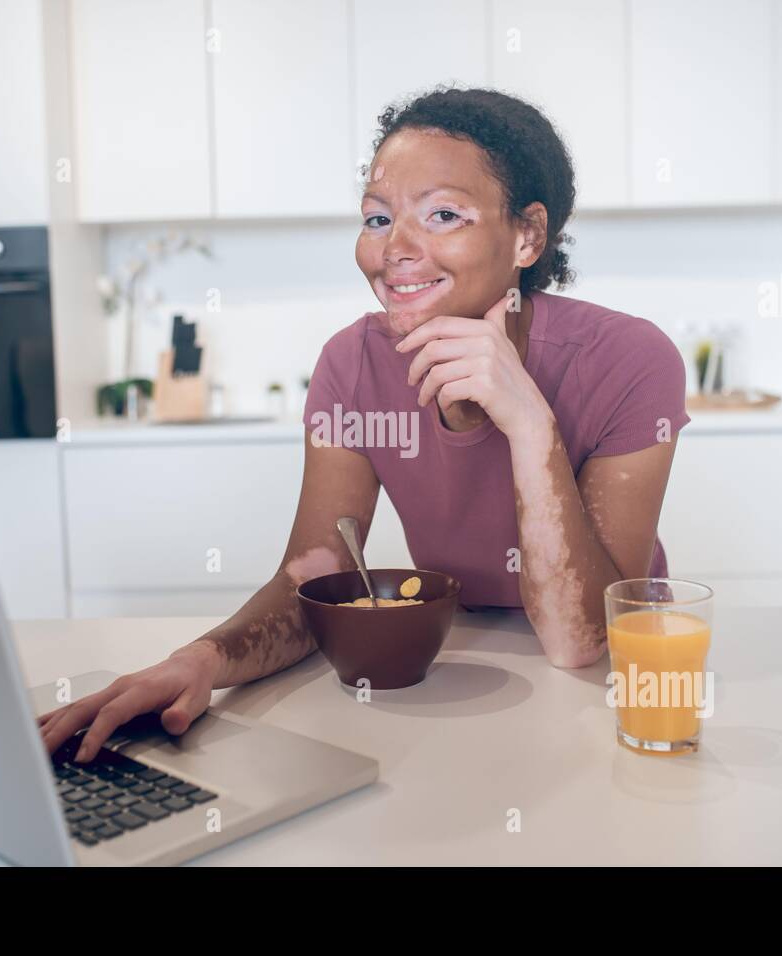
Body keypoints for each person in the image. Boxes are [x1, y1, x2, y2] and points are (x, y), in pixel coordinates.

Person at [39, 87, 689, 763]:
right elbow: (307, 582)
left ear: (526, 235)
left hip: (613, 694)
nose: (396, 250)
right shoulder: (352, 365)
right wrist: (198, 661)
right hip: (449, 670)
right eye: (378, 220)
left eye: (443, 215)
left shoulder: (630, 361)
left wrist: (530, 424)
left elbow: (580, 640)